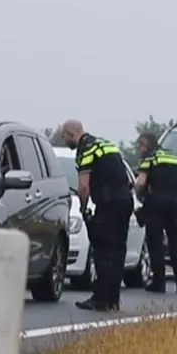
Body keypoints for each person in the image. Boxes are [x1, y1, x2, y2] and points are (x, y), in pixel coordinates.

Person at [59, 119, 133, 311]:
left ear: (71, 134)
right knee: (118, 251)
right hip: (125, 200)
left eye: (64, 137)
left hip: (108, 203)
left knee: (102, 250)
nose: (65, 141)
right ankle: (113, 299)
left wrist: (83, 207)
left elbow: (83, 186)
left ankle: (100, 299)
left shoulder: (86, 149)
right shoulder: (105, 144)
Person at [134, 132, 177, 294]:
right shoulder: (174, 157)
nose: (140, 149)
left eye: (141, 145)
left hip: (156, 203)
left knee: (155, 242)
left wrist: (140, 196)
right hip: (175, 202)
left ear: (148, 144)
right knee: (175, 243)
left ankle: (159, 282)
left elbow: (141, 182)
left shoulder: (149, 158)